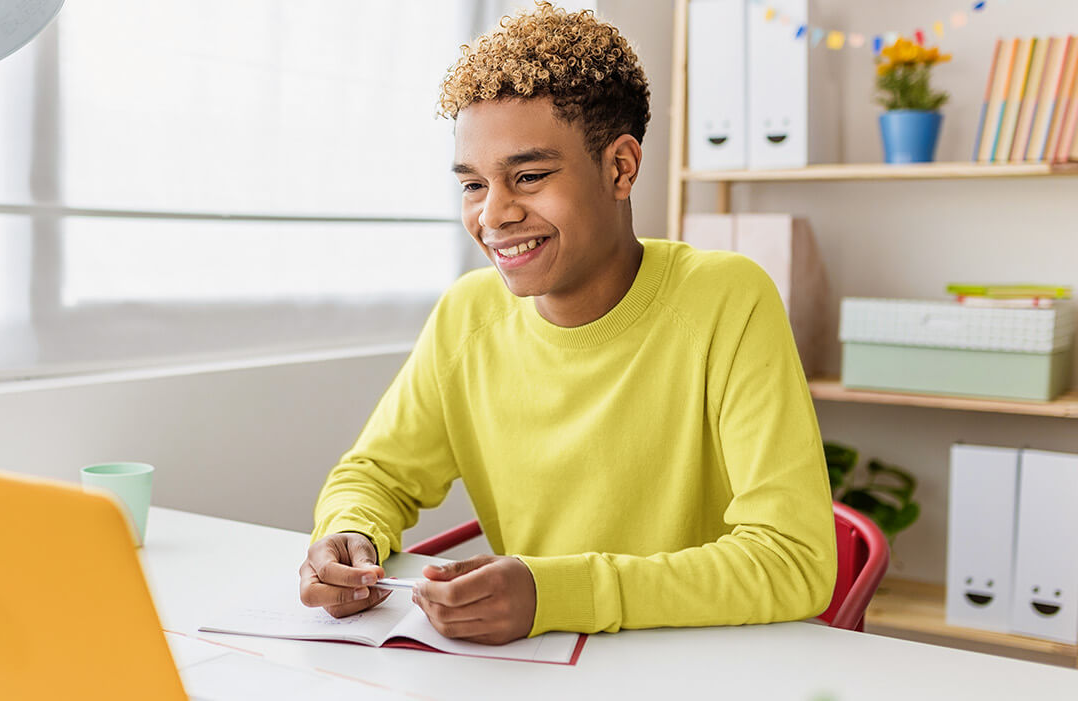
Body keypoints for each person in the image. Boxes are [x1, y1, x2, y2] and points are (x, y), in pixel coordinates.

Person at [298, 2, 836, 646]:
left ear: (620, 168)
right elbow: (377, 475)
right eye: (473, 185)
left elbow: (794, 560)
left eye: (528, 177)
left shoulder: (726, 300)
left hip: (700, 663)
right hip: (532, 669)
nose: (492, 216)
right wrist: (351, 531)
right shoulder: (468, 314)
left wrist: (554, 593)